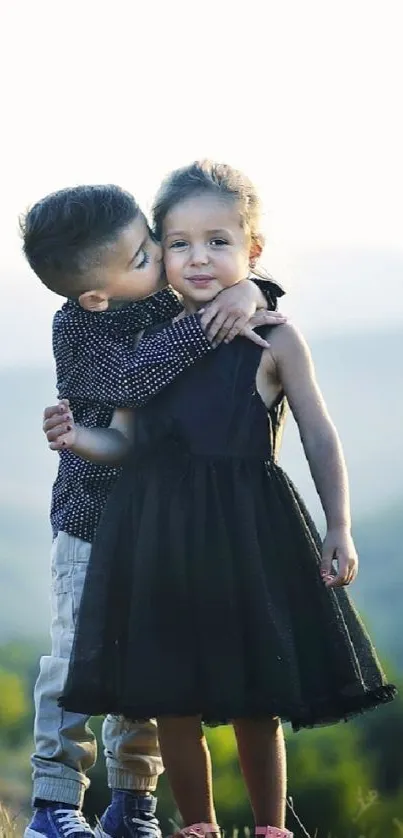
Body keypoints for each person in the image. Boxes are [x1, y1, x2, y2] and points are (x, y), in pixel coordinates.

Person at [55, 162, 395, 838]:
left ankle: (269, 828)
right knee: (170, 697)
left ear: (253, 251)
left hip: (247, 536)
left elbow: (319, 435)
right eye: (178, 243)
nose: (198, 258)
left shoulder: (274, 336)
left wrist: (339, 528)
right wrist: (77, 440)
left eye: (217, 241)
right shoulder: (144, 342)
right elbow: (122, 443)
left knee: (255, 691)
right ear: (157, 252)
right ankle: (197, 827)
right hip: (154, 541)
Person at [21, 183, 286, 838]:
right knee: (78, 660)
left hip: (157, 527)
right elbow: (137, 378)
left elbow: (220, 279)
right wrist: (210, 318)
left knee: (144, 666)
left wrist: (252, 291)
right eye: (146, 255)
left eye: (152, 242)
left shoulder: (159, 297)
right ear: (94, 293)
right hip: (90, 524)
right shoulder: (80, 328)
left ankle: (131, 801)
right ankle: (55, 805)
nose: (166, 263)